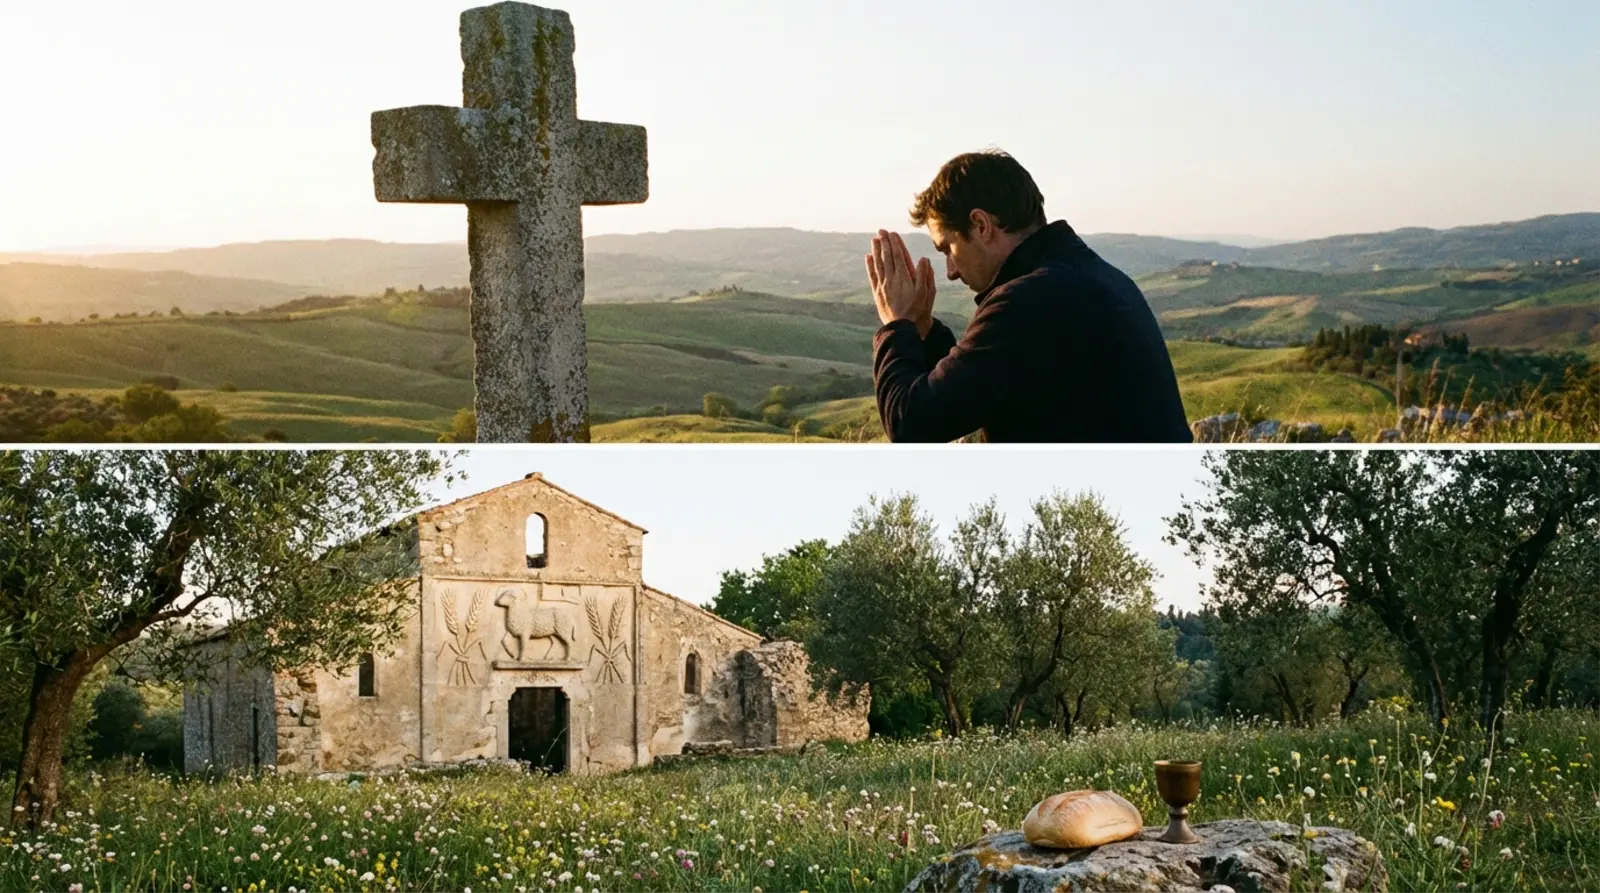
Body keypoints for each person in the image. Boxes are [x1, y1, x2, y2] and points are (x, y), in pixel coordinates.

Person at [866, 149, 1191, 443]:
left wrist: (898, 325)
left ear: (980, 225)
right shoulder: (1087, 276)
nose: (950, 270)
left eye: (947, 247)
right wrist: (922, 333)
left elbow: (910, 424)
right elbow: (974, 387)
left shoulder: (1026, 302)